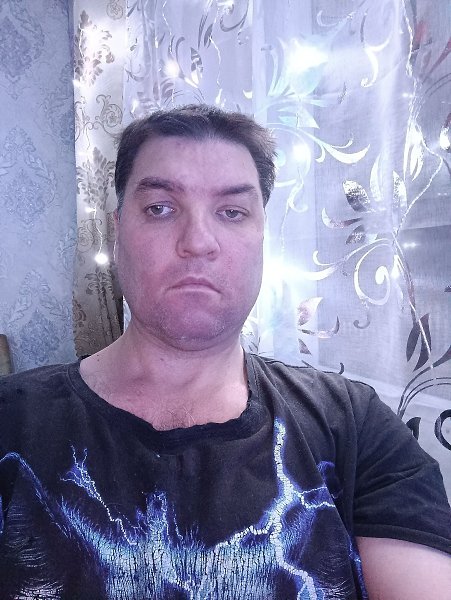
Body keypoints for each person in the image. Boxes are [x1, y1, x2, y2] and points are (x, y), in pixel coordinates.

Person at [0, 104, 450, 600]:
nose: (198, 242)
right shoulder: (11, 420)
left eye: (232, 212)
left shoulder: (354, 426)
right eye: (160, 208)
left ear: (261, 237)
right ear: (116, 229)